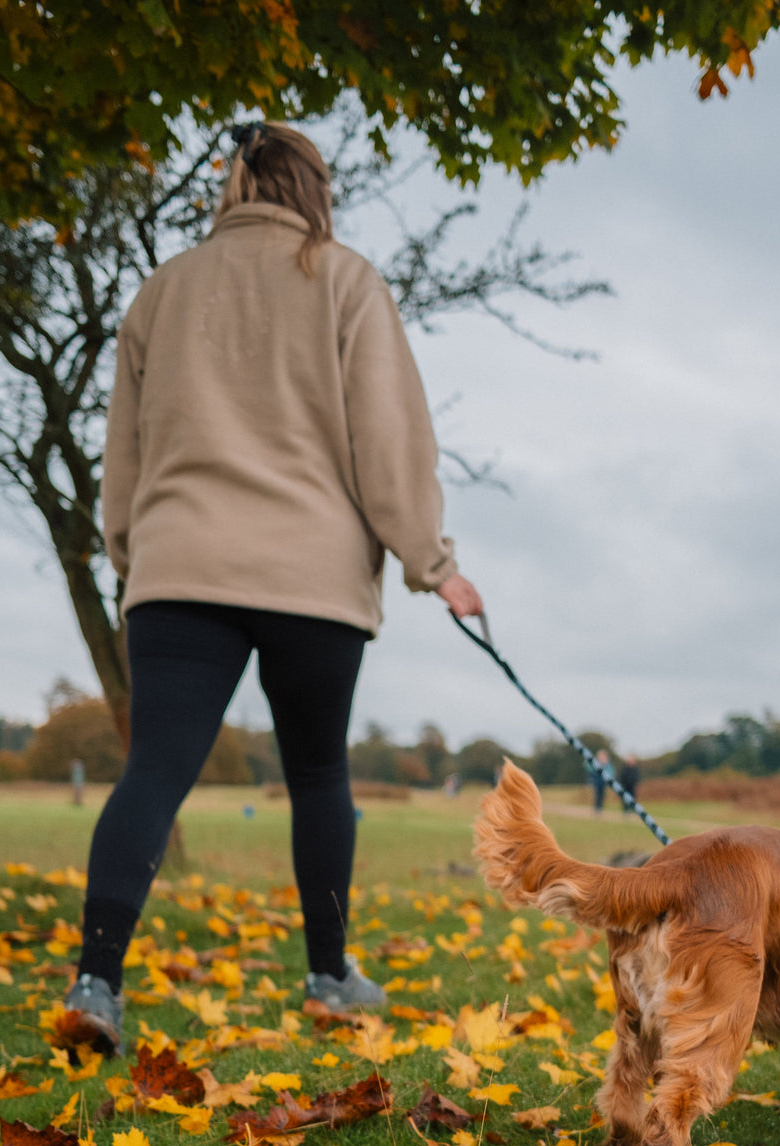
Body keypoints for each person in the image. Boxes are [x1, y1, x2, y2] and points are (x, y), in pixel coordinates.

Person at [64, 121, 483, 1056]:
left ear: (234, 186)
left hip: (179, 567)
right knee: (319, 773)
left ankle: (96, 982)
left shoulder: (163, 289)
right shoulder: (345, 280)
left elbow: (124, 446)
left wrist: (132, 552)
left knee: (153, 770)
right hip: (313, 576)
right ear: (313, 188)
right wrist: (434, 563)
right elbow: (390, 440)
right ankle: (330, 976)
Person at [589, 748, 613, 812]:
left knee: (602, 795)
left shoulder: (608, 764)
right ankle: (596, 808)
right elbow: (589, 768)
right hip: (596, 781)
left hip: (603, 782)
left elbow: (611, 772)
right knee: (597, 794)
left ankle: (600, 807)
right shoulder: (595, 763)